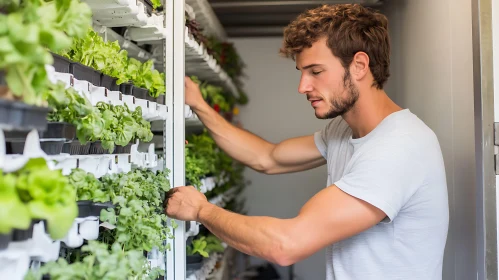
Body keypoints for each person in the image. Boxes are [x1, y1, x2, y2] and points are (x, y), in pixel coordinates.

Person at [164, 4, 449, 280]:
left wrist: (201, 210)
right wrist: (199, 105)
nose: (303, 87)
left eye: (316, 71)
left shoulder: (399, 147)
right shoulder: (342, 130)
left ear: (359, 65)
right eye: (302, 72)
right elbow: (268, 157)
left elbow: (286, 244)